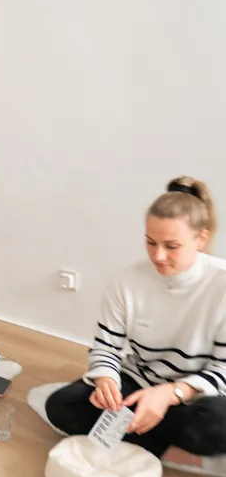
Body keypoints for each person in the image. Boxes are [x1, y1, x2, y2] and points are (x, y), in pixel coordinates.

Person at [46, 176, 226, 461]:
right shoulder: (126, 282)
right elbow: (105, 348)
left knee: (218, 425)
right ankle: (157, 434)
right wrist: (107, 381)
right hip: (140, 382)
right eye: (150, 242)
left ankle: (140, 432)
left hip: (196, 395)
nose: (159, 255)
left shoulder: (222, 285)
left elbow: (223, 370)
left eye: (172, 246)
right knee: (61, 406)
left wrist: (170, 394)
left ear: (201, 239)